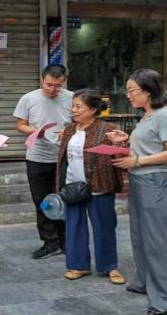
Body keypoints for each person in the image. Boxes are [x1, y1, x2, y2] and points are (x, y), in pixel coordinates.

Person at [107, 69, 167, 315]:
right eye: (127, 91)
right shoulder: (147, 115)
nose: (128, 95)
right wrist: (127, 139)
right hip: (140, 180)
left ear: (148, 91)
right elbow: (151, 144)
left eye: (132, 90)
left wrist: (137, 160)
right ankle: (145, 281)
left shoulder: (166, 115)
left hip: (156, 181)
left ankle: (165, 299)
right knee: (140, 235)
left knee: (159, 240)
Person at [54, 89, 125, 285]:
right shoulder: (69, 129)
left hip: (99, 185)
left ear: (93, 109)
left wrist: (122, 144)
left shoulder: (106, 128)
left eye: (79, 106)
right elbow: (64, 158)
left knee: (104, 227)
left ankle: (109, 266)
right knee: (74, 226)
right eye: (73, 106)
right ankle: (79, 265)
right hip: (73, 185)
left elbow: (119, 154)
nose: (74, 110)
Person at [13, 64, 73, 259]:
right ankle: (50, 241)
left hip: (64, 157)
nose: (53, 89)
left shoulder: (72, 98)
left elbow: (81, 123)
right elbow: (20, 125)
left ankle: (65, 240)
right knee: (42, 201)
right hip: (37, 157)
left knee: (64, 199)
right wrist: (34, 131)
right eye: (49, 85)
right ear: (41, 80)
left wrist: (69, 131)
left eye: (58, 86)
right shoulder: (29, 98)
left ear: (64, 82)